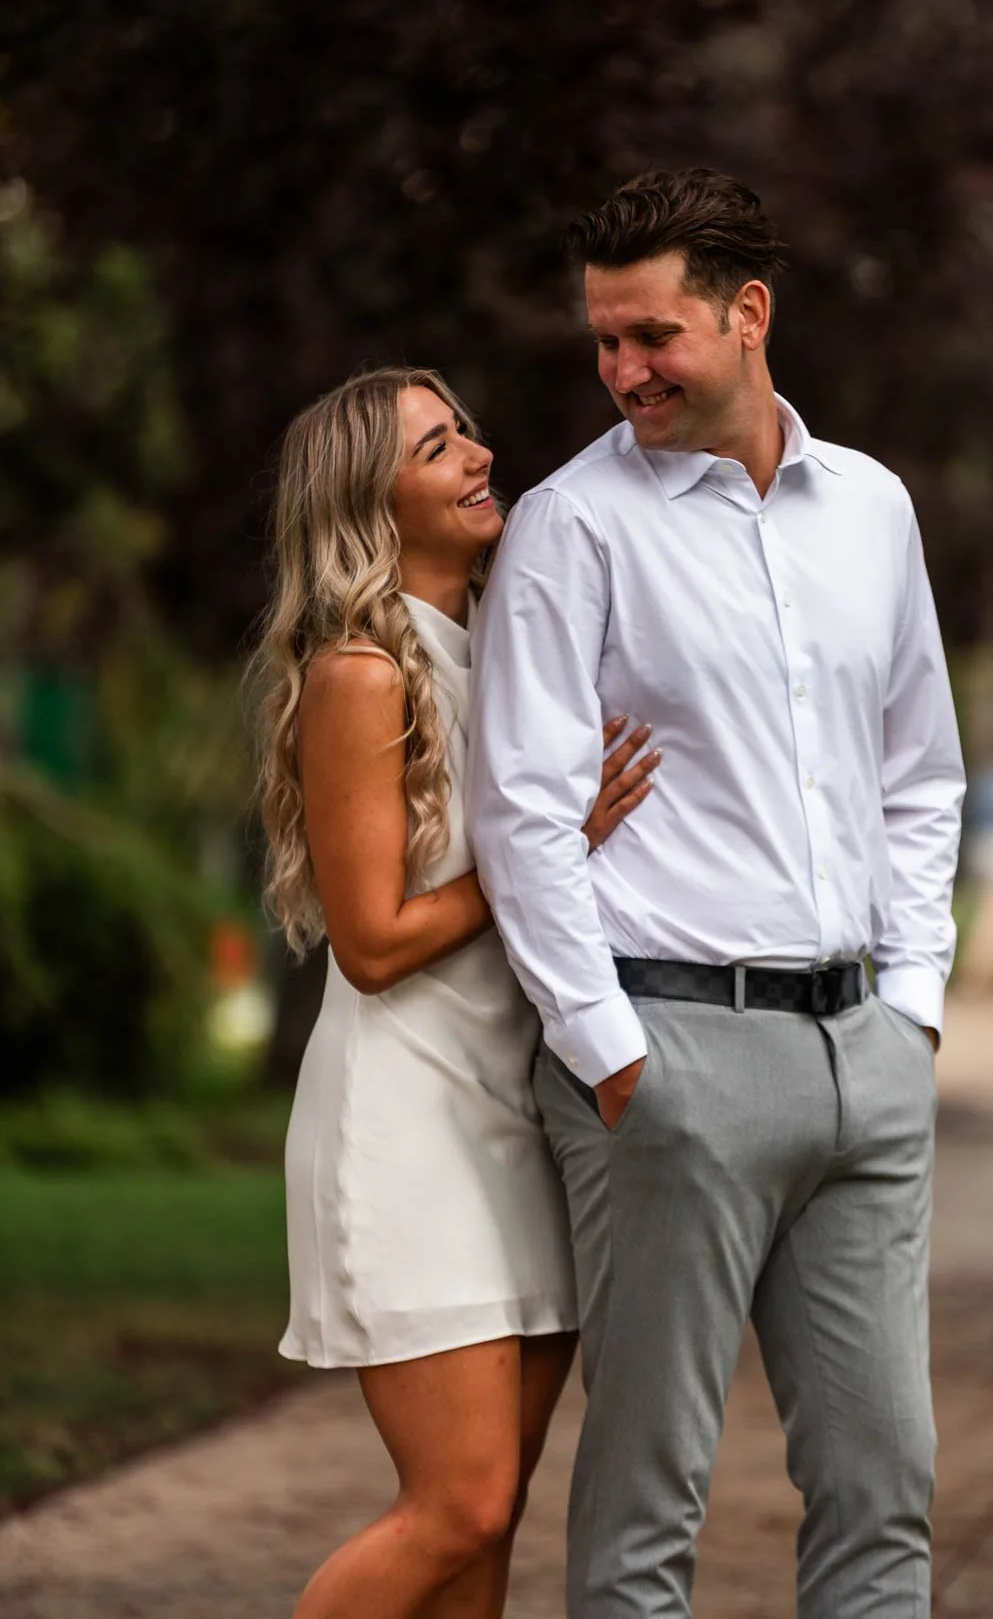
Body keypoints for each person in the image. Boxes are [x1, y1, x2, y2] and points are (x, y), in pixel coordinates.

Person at [468, 170, 966, 1619]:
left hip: (863, 1058)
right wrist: (611, 1053)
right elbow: (521, 812)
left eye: (652, 336)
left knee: (884, 1485)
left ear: (747, 314)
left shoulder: (870, 507)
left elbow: (918, 773)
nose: (623, 370)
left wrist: (912, 1005)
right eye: (603, 341)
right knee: (647, 1507)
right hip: (667, 1057)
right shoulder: (573, 525)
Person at [251, 366, 659, 1619]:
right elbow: (371, 943)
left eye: (464, 432)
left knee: (491, 1525)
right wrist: (547, 851)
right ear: (367, 504)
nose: (478, 455)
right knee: (458, 1506)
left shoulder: (506, 653)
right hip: (407, 1122)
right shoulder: (362, 674)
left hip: (518, 1120)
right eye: (436, 448)